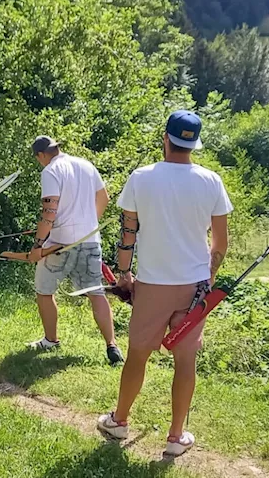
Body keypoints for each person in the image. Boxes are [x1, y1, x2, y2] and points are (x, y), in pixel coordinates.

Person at [97, 110, 232, 457]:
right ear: (194, 144)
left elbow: (128, 234)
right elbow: (220, 243)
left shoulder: (142, 178)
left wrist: (124, 275)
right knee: (186, 361)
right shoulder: (211, 181)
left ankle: (120, 420)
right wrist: (208, 279)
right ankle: (175, 437)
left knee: (138, 355)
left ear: (165, 139)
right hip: (195, 286)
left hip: (153, 283)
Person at [24, 135, 123, 366]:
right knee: (95, 293)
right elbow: (104, 198)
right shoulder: (86, 165)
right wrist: (87, 224)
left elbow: (49, 212)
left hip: (59, 242)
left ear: (41, 155)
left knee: (44, 290)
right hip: (90, 240)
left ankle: (51, 340)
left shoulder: (50, 171)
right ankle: (112, 346)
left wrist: (38, 246)